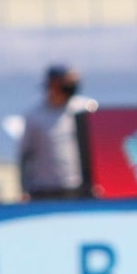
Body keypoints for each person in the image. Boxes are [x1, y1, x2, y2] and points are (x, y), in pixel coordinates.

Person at [18, 65, 95, 200]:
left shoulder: (87, 109)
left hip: (79, 189)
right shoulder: (35, 116)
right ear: (54, 84)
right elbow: (25, 155)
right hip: (44, 190)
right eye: (67, 83)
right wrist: (23, 189)